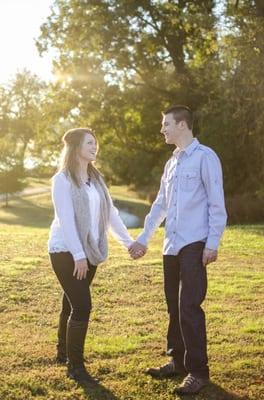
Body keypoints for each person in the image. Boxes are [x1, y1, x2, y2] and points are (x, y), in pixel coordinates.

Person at [129, 105, 227, 395]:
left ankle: (198, 371)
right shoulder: (171, 163)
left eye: (166, 124)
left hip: (194, 244)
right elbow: (160, 204)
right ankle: (178, 361)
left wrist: (212, 243)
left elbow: (216, 204)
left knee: (189, 308)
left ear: (182, 125)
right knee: (174, 306)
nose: (163, 129)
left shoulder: (205, 158)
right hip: (171, 245)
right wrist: (144, 238)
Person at [48, 127, 134, 384]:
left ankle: (62, 353)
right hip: (65, 250)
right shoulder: (62, 180)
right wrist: (78, 254)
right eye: (89, 143)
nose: (94, 147)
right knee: (82, 305)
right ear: (75, 148)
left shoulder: (96, 180)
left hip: (89, 250)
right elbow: (65, 220)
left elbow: (110, 215)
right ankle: (75, 367)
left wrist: (128, 243)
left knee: (71, 302)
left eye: (95, 143)